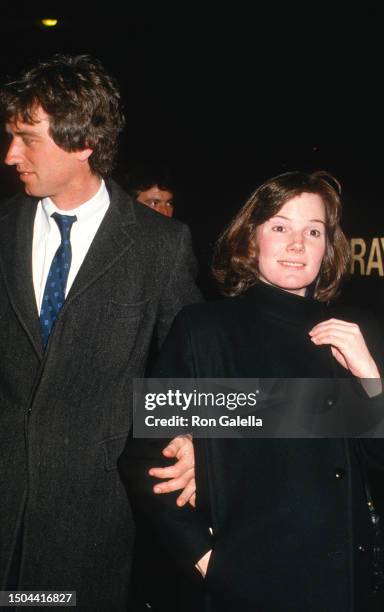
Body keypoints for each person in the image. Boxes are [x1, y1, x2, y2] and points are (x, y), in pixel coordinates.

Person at [119, 171, 384, 612]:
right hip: (247, 586)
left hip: (344, 586)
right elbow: (146, 458)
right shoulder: (206, 331)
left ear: (329, 247)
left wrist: (370, 378)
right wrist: (205, 560)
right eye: (280, 227)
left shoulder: (357, 333)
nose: (297, 244)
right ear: (251, 237)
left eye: (313, 231)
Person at [0, 54, 201, 610]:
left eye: (27, 138)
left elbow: (192, 366)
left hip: (93, 526)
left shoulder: (160, 246)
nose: (11, 155)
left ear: (83, 141)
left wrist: (199, 441)